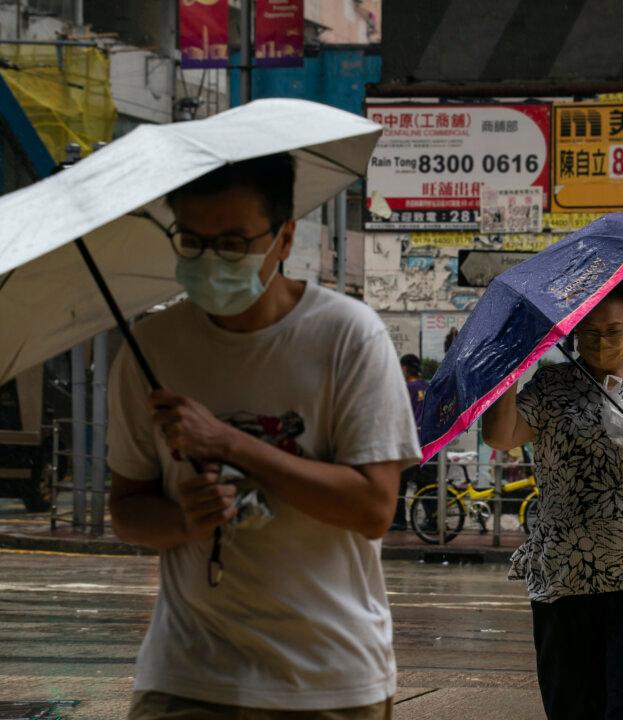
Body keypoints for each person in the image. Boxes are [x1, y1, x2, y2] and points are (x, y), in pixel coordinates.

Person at [107, 153, 420, 719]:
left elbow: (374, 507)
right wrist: (183, 520)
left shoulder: (348, 336)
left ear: (283, 237)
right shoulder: (150, 349)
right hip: (186, 675)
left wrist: (229, 444)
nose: (211, 260)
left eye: (232, 242)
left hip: (329, 681)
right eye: (193, 242)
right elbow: (127, 507)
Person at [482, 274, 623, 720]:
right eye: (588, 333)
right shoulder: (550, 387)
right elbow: (499, 435)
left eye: (613, 331)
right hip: (567, 573)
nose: (601, 342)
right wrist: (507, 372)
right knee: (572, 704)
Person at [392, 354, 432, 530]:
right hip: (429, 444)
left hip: (411, 443)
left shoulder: (406, 388)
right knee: (427, 485)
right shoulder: (428, 386)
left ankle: (399, 521)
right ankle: (433, 521)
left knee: (400, 484)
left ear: (405, 369)